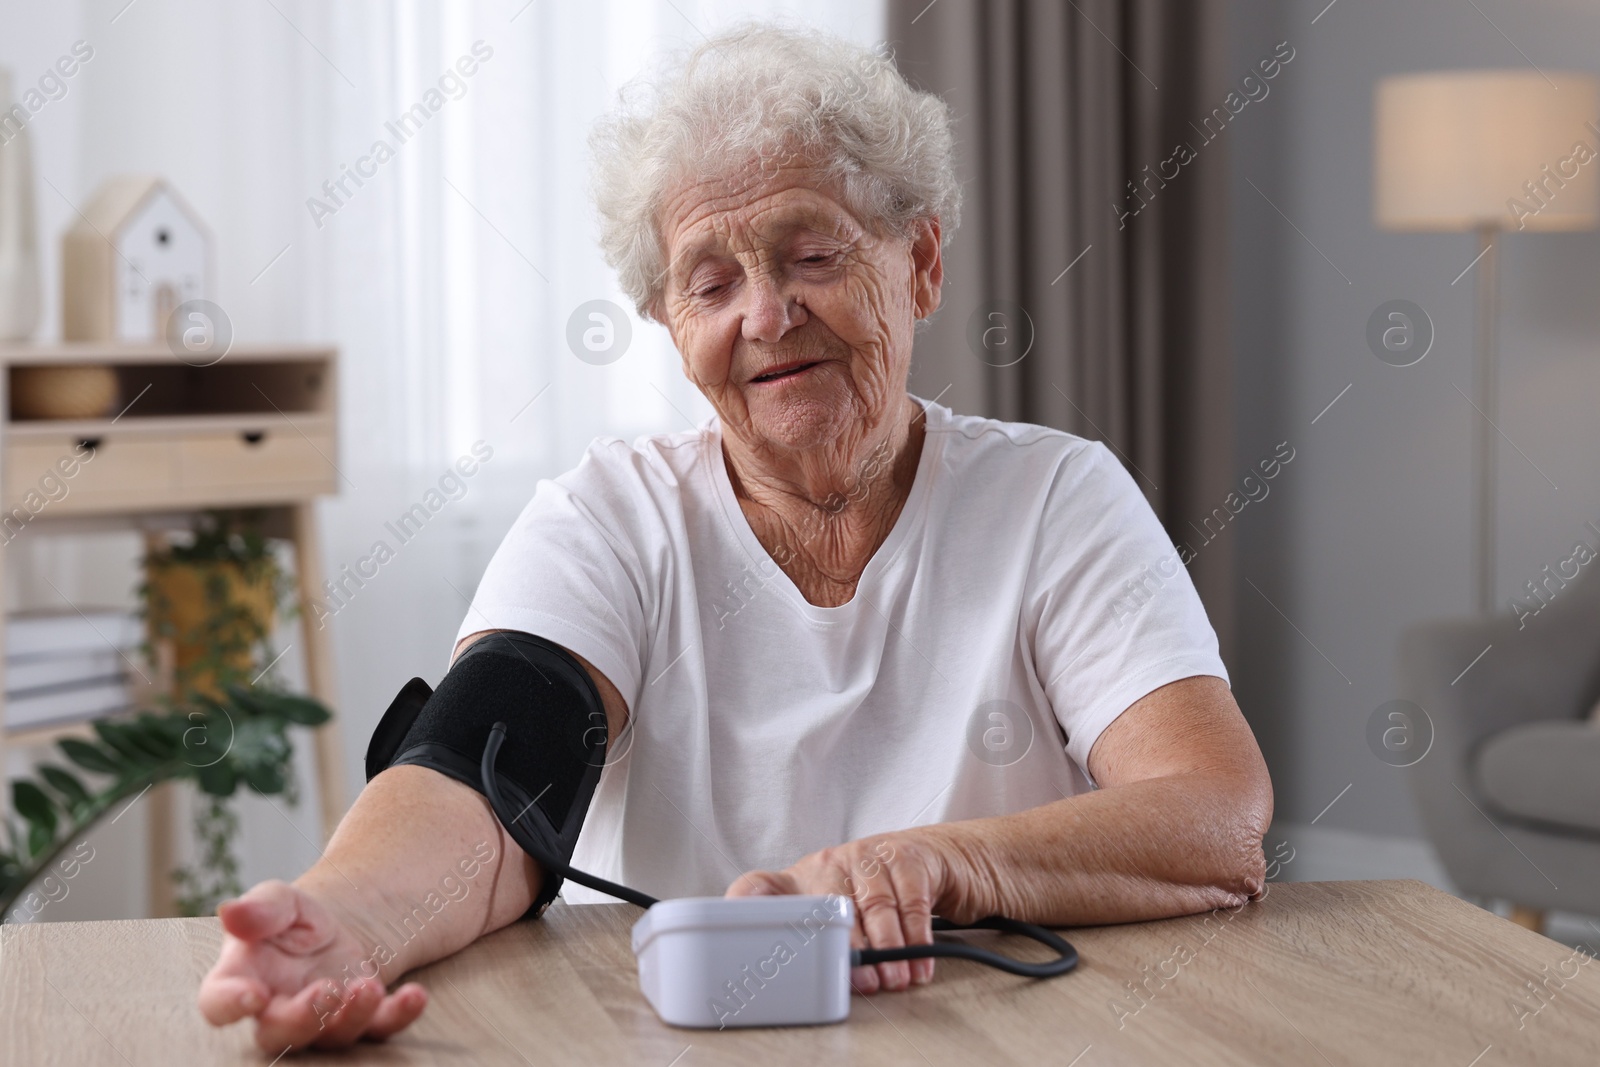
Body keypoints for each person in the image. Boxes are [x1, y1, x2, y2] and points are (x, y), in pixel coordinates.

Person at [199, 24, 1272, 1051]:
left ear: (922, 263)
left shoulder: (1055, 498)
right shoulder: (605, 521)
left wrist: (929, 864)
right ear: (671, 324)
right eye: (710, 283)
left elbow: (1212, 818)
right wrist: (347, 923)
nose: (765, 315)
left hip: (1003, 1039)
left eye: (811, 254)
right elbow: (486, 781)